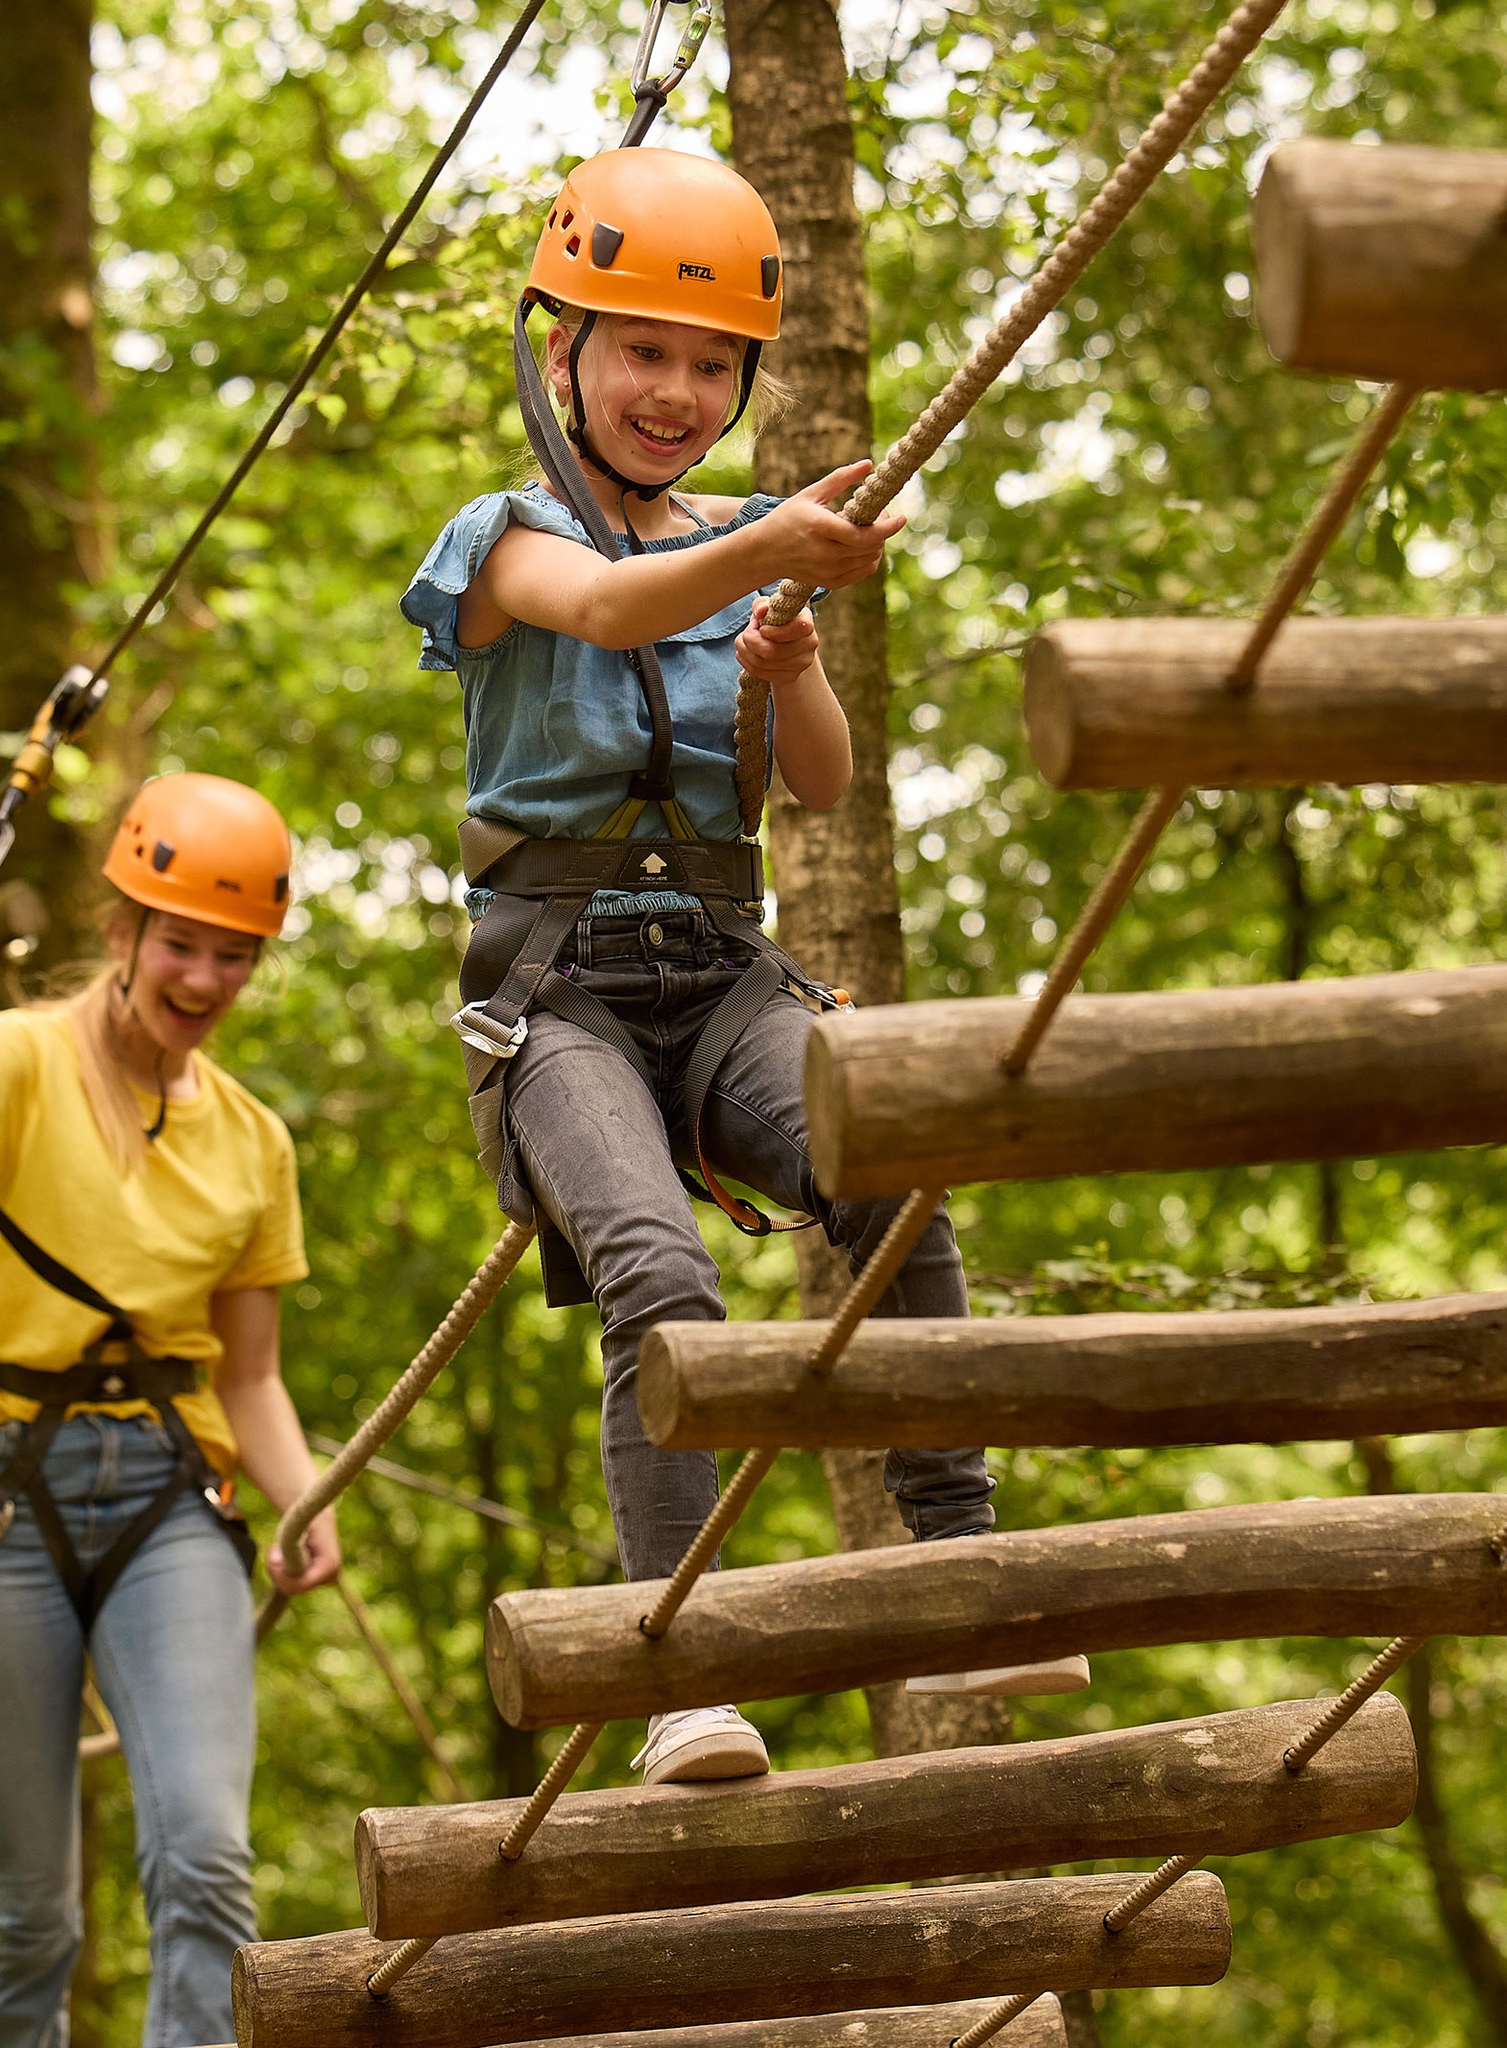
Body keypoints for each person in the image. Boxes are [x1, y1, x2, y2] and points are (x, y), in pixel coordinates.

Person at [401, 147, 1083, 1791]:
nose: (679, 390)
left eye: (713, 365)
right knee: (658, 1269)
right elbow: (617, 609)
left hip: (716, 977)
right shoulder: (504, 539)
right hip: (556, 997)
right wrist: (762, 549)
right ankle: (680, 1671)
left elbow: (818, 784)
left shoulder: (743, 549)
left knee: (894, 1167)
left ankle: (957, 1563)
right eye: (644, 348)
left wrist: (787, 658)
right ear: (557, 343)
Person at [0, 772, 335, 2048]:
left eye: (236, 955)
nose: (206, 979)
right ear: (121, 930)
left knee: (210, 1862)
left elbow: (250, 1374)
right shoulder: (16, 1056)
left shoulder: (254, 1141)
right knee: (25, 1917)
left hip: (169, 1499)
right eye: (181, 943)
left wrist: (304, 1493)